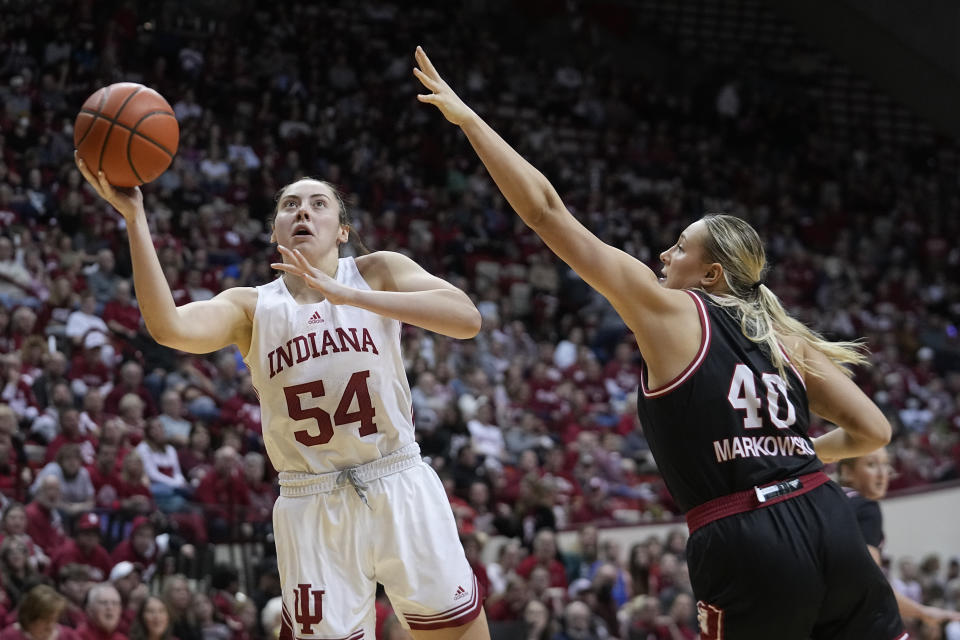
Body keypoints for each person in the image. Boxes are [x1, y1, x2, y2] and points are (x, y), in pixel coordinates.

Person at [414, 46, 904, 639]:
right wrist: (796, 453)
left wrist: (470, 121)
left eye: (679, 245)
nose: (664, 255)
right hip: (829, 518)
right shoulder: (782, 336)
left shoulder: (671, 310)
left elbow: (547, 212)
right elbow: (874, 431)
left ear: (711, 275)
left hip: (749, 540)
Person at [74, 153, 488, 640]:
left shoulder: (377, 272)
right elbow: (169, 328)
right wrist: (135, 219)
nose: (303, 212)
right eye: (290, 205)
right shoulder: (252, 306)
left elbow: (466, 318)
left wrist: (349, 296)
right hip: (311, 501)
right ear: (275, 230)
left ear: (342, 231)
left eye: (318, 203)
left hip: (396, 476)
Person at [839, 448, 960, 629]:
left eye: (886, 464)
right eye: (871, 464)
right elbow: (869, 580)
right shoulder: (866, 507)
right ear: (847, 472)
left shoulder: (830, 501)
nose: (883, 473)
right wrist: (922, 612)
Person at [0, 584, 81, 640]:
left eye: (54, 619)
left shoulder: (68, 636)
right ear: (29, 618)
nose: (51, 626)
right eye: (46, 620)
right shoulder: (8, 637)